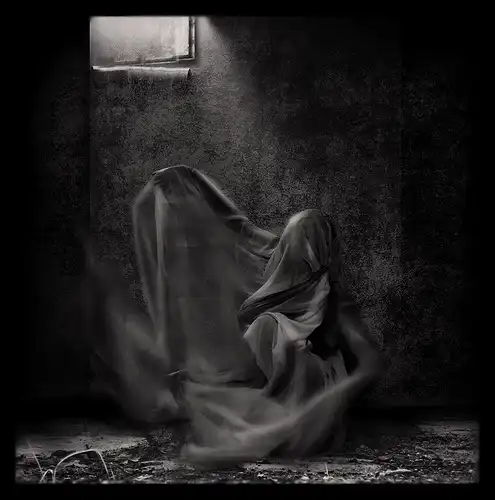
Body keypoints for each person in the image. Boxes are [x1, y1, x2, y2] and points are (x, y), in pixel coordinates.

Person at [84, 165, 382, 466]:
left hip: (311, 393)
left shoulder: (330, 296)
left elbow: (369, 364)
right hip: (272, 386)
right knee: (222, 371)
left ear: (318, 255)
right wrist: (188, 180)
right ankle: (241, 411)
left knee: (266, 333)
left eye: (302, 251)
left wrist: (330, 401)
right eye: (288, 247)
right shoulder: (280, 265)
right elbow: (239, 228)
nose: (288, 257)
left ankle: (262, 425)